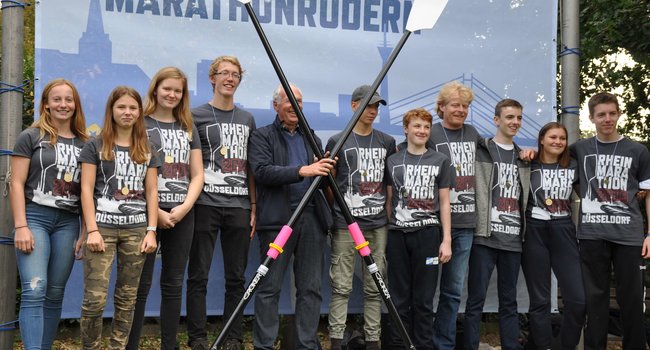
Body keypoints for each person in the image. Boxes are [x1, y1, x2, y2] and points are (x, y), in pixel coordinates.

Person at [248, 83, 335, 350]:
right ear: (276, 105)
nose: (295, 106)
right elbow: (262, 172)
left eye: (299, 100)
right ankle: (264, 345)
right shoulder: (261, 136)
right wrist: (304, 170)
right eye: (289, 100)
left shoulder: (312, 138)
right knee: (269, 287)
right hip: (278, 222)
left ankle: (306, 344)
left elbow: (320, 179)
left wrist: (328, 168)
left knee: (311, 289)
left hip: (312, 219)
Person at [127, 67, 204, 350]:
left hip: (182, 213)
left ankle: (169, 345)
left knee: (173, 285)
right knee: (140, 285)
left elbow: (197, 175)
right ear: (155, 90)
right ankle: (130, 344)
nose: (172, 95)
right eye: (167, 89)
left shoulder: (188, 127)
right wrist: (154, 212)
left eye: (178, 91)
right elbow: (132, 173)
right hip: (146, 214)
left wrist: (184, 207)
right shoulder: (139, 124)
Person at [79, 86, 159, 349]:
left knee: (127, 298)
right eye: (121, 107)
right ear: (111, 110)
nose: (127, 112)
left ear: (140, 112)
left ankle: (118, 346)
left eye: (133, 108)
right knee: (94, 299)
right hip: (101, 229)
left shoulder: (147, 148)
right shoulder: (95, 145)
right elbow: (86, 190)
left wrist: (151, 230)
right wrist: (91, 230)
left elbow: (151, 191)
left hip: (136, 231)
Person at [10, 79, 88, 350]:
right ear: (45, 104)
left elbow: (88, 191)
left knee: (55, 294)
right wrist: (21, 225)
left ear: (75, 104)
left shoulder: (86, 143)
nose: (63, 105)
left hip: (68, 223)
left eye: (69, 99)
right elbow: (16, 183)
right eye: (57, 99)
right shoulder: (31, 137)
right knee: (34, 289)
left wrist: (85, 230)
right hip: (35, 218)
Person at [186, 55, 256, 350]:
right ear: (212, 78)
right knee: (198, 275)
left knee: (236, 278)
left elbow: (251, 167)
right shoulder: (195, 116)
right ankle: (198, 338)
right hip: (205, 205)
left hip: (239, 206)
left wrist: (255, 206)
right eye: (224, 73)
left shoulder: (247, 119)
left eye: (235, 74)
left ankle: (234, 337)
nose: (229, 78)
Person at [570, 92, 650, 350]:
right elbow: (559, 172)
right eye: (601, 114)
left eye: (612, 113)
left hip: (629, 235)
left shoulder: (638, 151)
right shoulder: (579, 149)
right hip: (592, 235)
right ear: (591, 117)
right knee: (595, 300)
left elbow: (649, 195)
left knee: (632, 300)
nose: (607, 119)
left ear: (618, 114)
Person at [326, 85, 395, 350]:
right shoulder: (337, 141)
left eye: (377, 107)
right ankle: (335, 341)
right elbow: (331, 185)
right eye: (368, 105)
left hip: (377, 224)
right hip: (345, 223)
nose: (373, 111)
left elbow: (389, 184)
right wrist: (338, 214)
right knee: (341, 286)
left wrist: (386, 217)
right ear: (354, 106)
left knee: (375, 286)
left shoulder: (387, 142)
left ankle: (373, 341)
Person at [463, 99, 530, 350]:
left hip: (513, 241)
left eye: (519, 118)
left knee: (509, 302)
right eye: (510, 117)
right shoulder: (480, 150)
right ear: (496, 120)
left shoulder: (524, 157)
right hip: (484, 238)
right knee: (475, 301)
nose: (515, 122)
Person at [385, 108, 452, 350]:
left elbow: (444, 203)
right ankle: (398, 345)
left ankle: (423, 346)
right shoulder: (392, 161)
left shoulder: (440, 160)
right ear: (406, 129)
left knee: (423, 300)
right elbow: (389, 201)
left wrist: (446, 241)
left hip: (428, 235)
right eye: (416, 126)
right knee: (399, 299)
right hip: (398, 235)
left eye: (426, 127)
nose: (422, 131)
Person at [426, 82, 482, 350]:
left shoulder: (473, 134)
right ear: (442, 107)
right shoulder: (430, 134)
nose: (461, 110)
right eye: (455, 105)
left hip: (465, 225)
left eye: (465, 106)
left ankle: (443, 345)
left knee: (452, 292)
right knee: (423, 291)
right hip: (429, 225)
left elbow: (500, 152)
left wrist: (525, 153)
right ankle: (421, 342)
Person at [521, 122, 585, 349]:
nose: (558, 142)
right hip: (534, 231)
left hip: (563, 229)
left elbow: (593, 193)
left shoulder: (574, 166)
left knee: (578, 300)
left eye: (562, 138)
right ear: (541, 139)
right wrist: (525, 155)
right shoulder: (528, 164)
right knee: (540, 301)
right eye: (552, 137)